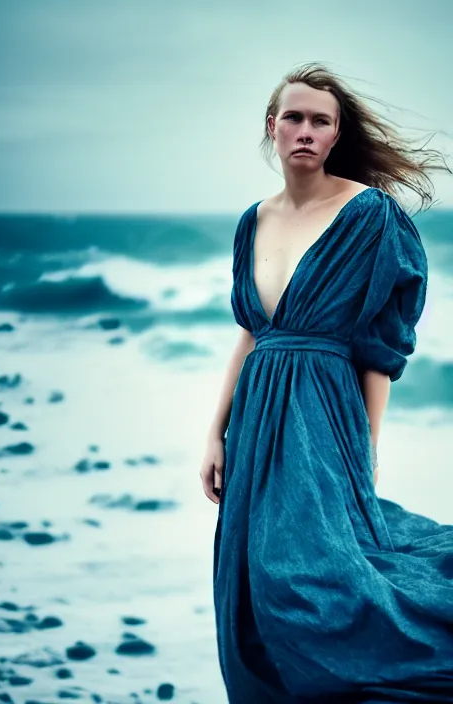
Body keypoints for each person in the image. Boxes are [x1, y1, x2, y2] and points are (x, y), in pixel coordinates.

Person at [201, 62, 453, 703]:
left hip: (322, 415)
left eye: (321, 121)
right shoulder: (251, 220)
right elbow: (254, 332)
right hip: (256, 417)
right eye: (295, 117)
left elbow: (380, 347)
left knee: (311, 578)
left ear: (337, 134)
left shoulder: (370, 216)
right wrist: (213, 433)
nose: (306, 130)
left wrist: (366, 444)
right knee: (253, 579)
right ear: (272, 127)